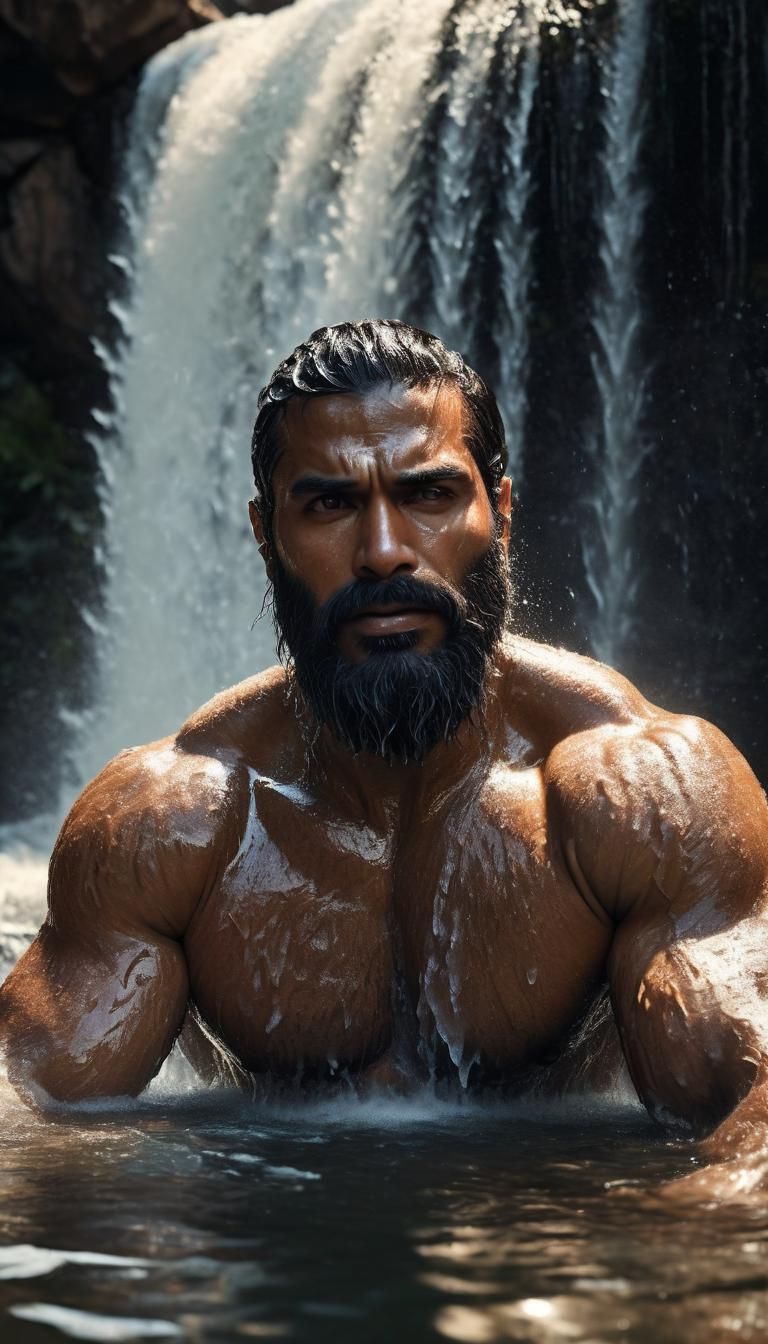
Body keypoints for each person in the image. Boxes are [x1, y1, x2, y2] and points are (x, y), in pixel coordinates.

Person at [2, 319, 767, 1201]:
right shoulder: (177, 821)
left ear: (501, 513)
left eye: (429, 494)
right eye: (329, 504)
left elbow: (757, 1097)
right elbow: (21, 1098)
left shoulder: (643, 795)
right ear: (266, 533)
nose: (383, 552)